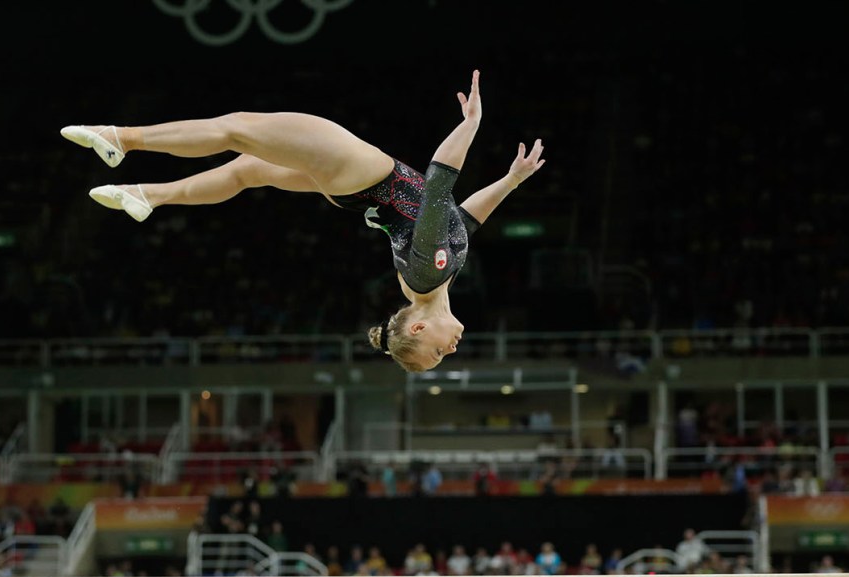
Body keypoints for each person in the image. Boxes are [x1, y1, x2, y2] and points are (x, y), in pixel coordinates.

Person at [61, 70, 545, 372]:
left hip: (363, 174)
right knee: (248, 171)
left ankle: (121, 137)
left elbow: (439, 187)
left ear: (418, 331)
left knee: (237, 129)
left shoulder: (428, 274)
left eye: (437, 353)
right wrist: (511, 180)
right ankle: (148, 194)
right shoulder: (434, 280)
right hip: (354, 191)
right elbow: (466, 220)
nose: (451, 350)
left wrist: (470, 126)